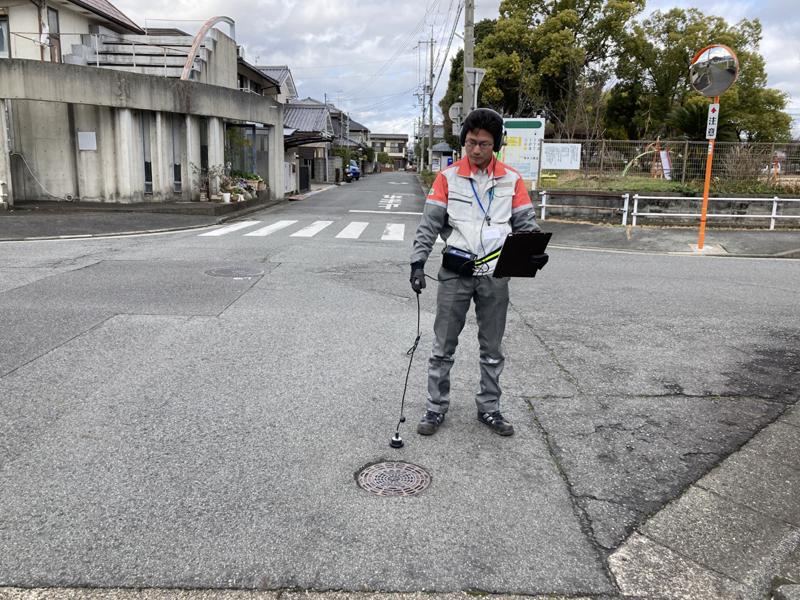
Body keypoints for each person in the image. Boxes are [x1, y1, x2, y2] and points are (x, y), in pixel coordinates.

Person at [409, 108, 547, 437]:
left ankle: (489, 408)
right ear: (463, 142)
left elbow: (526, 224)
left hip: (496, 272)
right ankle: (435, 406)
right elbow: (429, 225)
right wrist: (417, 263)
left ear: (495, 144)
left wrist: (536, 251)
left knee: (492, 347)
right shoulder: (448, 178)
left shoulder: (511, 180)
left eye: (484, 144)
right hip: (456, 270)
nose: (476, 150)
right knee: (442, 345)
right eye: (470, 142)